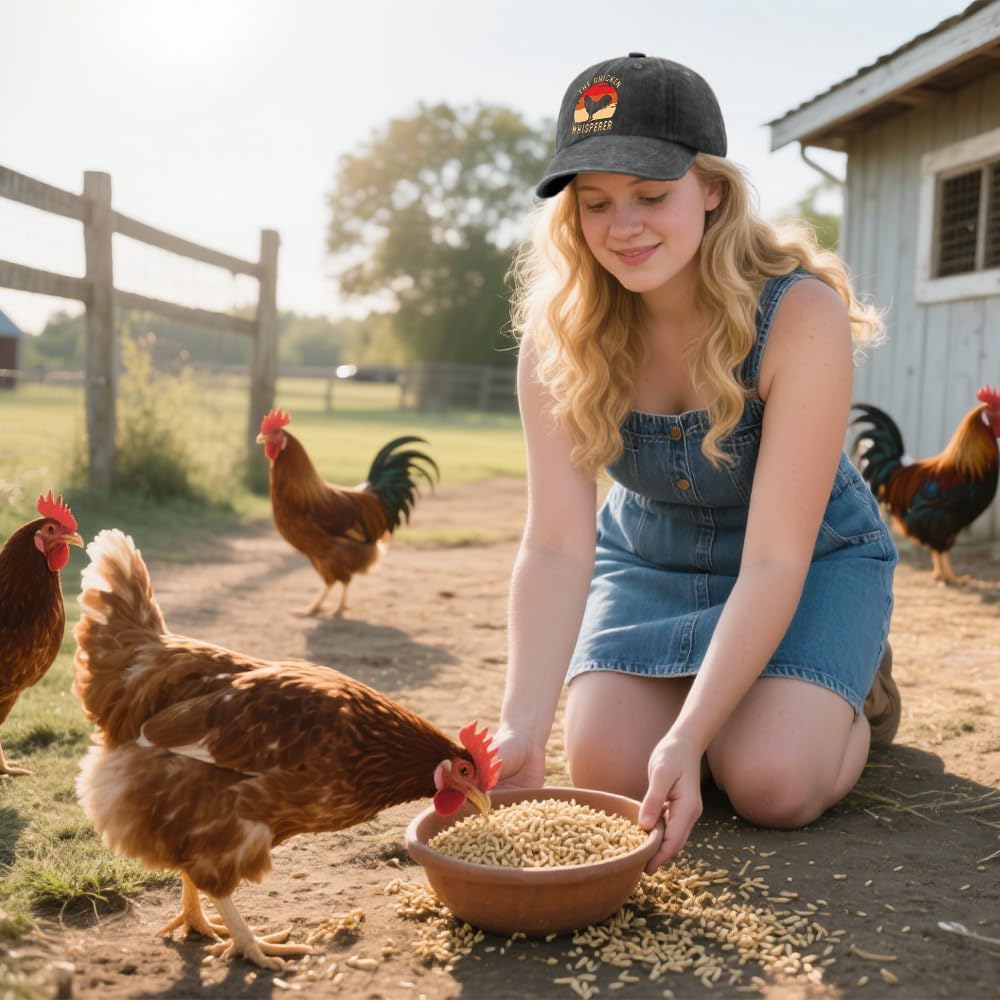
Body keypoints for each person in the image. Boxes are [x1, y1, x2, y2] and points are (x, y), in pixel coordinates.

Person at [494, 53, 901, 872]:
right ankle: (735, 699)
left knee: (771, 783)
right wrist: (520, 727)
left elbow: (777, 556)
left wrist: (687, 736)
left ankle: (856, 689)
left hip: (805, 562)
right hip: (651, 558)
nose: (624, 227)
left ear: (711, 188)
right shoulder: (559, 332)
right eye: (596, 202)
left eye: (651, 195)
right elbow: (557, 545)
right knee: (604, 770)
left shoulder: (799, 314)